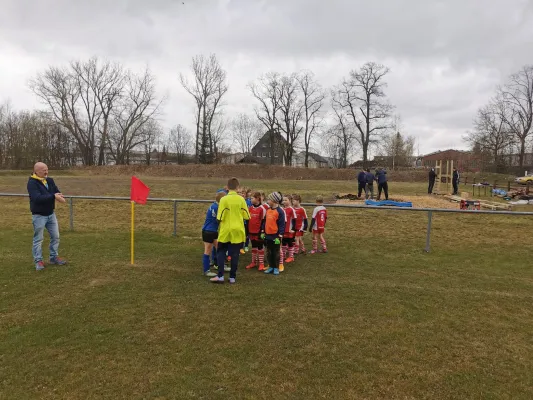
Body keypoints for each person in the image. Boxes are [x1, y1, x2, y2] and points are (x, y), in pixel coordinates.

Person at [27, 162, 67, 271]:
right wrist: (53, 196)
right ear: (36, 171)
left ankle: (53, 257)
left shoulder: (50, 180)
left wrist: (60, 196)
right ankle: (38, 261)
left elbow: (56, 191)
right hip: (39, 216)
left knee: (55, 236)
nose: (46, 172)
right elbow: (37, 198)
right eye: (43, 170)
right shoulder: (32, 183)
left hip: (51, 214)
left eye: (47, 169)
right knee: (38, 239)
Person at [210, 177, 250, 284]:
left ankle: (221, 276)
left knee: (221, 251)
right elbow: (246, 215)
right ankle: (232, 277)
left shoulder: (223, 200)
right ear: (238, 187)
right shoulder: (241, 199)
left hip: (226, 229)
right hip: (238, 229)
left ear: (227, 187)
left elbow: (220, 217)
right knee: (235, 254)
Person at [201, 191, 225, 277]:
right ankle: (206, 270)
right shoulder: (217, 207)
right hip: (208, 231)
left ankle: (220, 265)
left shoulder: (214, 205)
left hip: (212, 231)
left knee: (219, 247)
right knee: (207, 250)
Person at [263, 192, 286, 276]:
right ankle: (271, 266)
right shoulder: (268, 210)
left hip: (275, 236)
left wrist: (280, 235)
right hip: (267, 235)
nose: (268, 201)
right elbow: (265, 221)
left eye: (269, 199)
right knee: (268, 251)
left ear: (274, 201)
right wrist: (263, 230)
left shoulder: (280, 211)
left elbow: (282, 224)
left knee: (275, 252)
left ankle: (276, 267)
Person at [245, 192, 267, 271]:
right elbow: (247, 220)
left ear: (258, 199)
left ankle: (261, 263)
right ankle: (253, 262)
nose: (251, 199)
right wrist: (247, 230)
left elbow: (264, 221)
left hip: (259, 232)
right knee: (253, 246)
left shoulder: (262, 209)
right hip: (251, 231)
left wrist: (262, 231)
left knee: (260, 247)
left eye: (252, 198)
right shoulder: (250, 208)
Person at [281, 196, 297, 267]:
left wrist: (293, 229)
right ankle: (283, 255)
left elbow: (294, 220)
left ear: (290, 201)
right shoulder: (282, 209)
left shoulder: (291, 209)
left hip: (289, 230)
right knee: (283, 242)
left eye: (286, 200)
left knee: (290, 242)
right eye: (283, 200)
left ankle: (291, 257)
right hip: (283, 229)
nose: (284, 201)